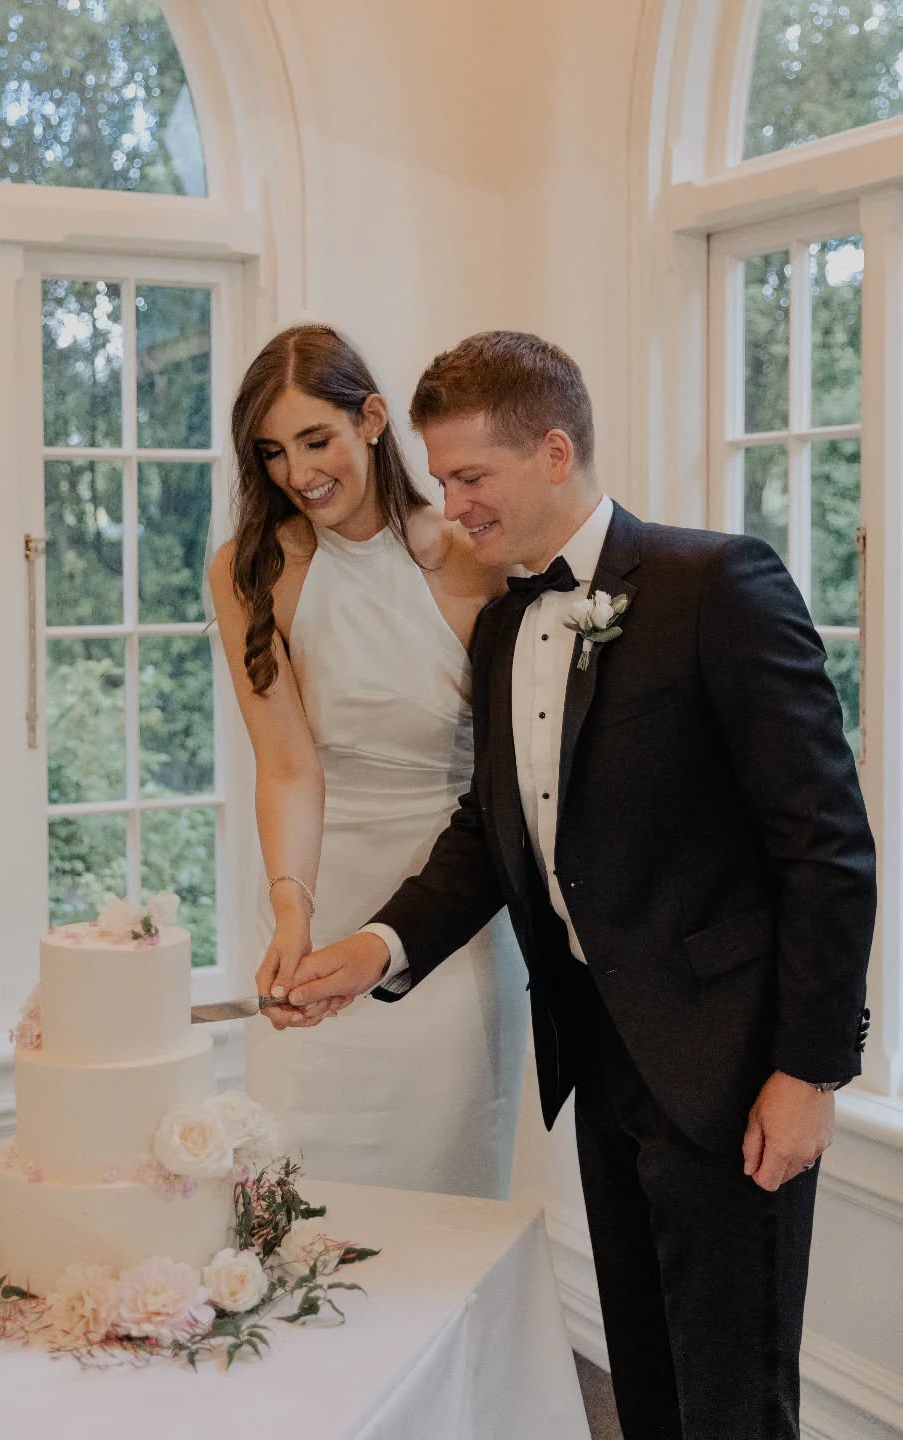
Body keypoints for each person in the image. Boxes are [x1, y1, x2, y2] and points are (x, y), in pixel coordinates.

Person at [281, 331, 876, 1440]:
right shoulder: (505, 621)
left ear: (554, 452)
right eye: (445, 477)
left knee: (733, 1403)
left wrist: (810, 1069)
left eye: (471, 476)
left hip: (732, 1071)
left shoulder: (719, 585)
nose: (452, 506)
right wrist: (372, 950)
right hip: (600, 1065)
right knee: (647, 1388)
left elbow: (827, 846)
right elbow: (488, 831)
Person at [208, 324, 529, 1198]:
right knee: (300, 1198)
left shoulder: (473, 561)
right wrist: (289, 910)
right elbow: (287, 766)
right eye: (271, 452)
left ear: (374, 420)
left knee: (442, 1208)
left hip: (446, 919)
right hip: (311, 896)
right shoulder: (250, 569)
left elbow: (512, 785)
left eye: (318, 439)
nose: (297, 472)